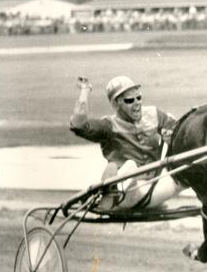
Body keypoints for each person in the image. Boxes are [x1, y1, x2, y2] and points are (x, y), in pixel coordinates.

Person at [70, 75, 185, 211]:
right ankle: (109, 192)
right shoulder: (108, 126)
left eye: (139, 97)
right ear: (115, 103)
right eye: (130, 100)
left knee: (189, 166)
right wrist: (85, 90)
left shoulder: (154, 114)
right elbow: (78, 125)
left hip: (156, 186)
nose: (137, 103)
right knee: (130, 166)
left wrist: (166, 139)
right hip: (127, 195)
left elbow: (181, 133)